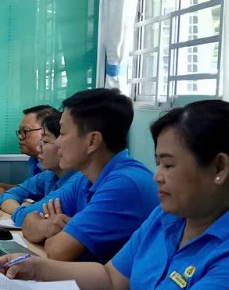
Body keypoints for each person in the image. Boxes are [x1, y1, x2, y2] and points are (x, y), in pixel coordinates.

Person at [0, 100, 229, 290]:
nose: (158, 176)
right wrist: (37, 269)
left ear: (219, 168)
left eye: (168, 165)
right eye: (157, 164)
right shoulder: (170, 217)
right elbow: (111, 277)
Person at [19, 89, 159, 263]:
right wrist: (48, 226)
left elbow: (58, 250)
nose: (58, 143)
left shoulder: (124, 184)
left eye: (62, 134)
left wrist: (50, 233)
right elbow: (27, 221)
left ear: (92, 141)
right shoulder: (85, 179)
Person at [0, 111, 80, 226]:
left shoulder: (77, 181)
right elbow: (6, 195)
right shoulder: (49, 174)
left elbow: (24, 217)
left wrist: (24, 209)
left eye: (45, 142)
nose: (38, 148)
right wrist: (23, 209)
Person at [0, 105, 56, 198]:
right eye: (20, 132)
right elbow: (27, 190)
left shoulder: (54, 167)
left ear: (47, 131)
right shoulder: (34, 159)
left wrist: (9, 197)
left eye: (25, 131)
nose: (20, 137)